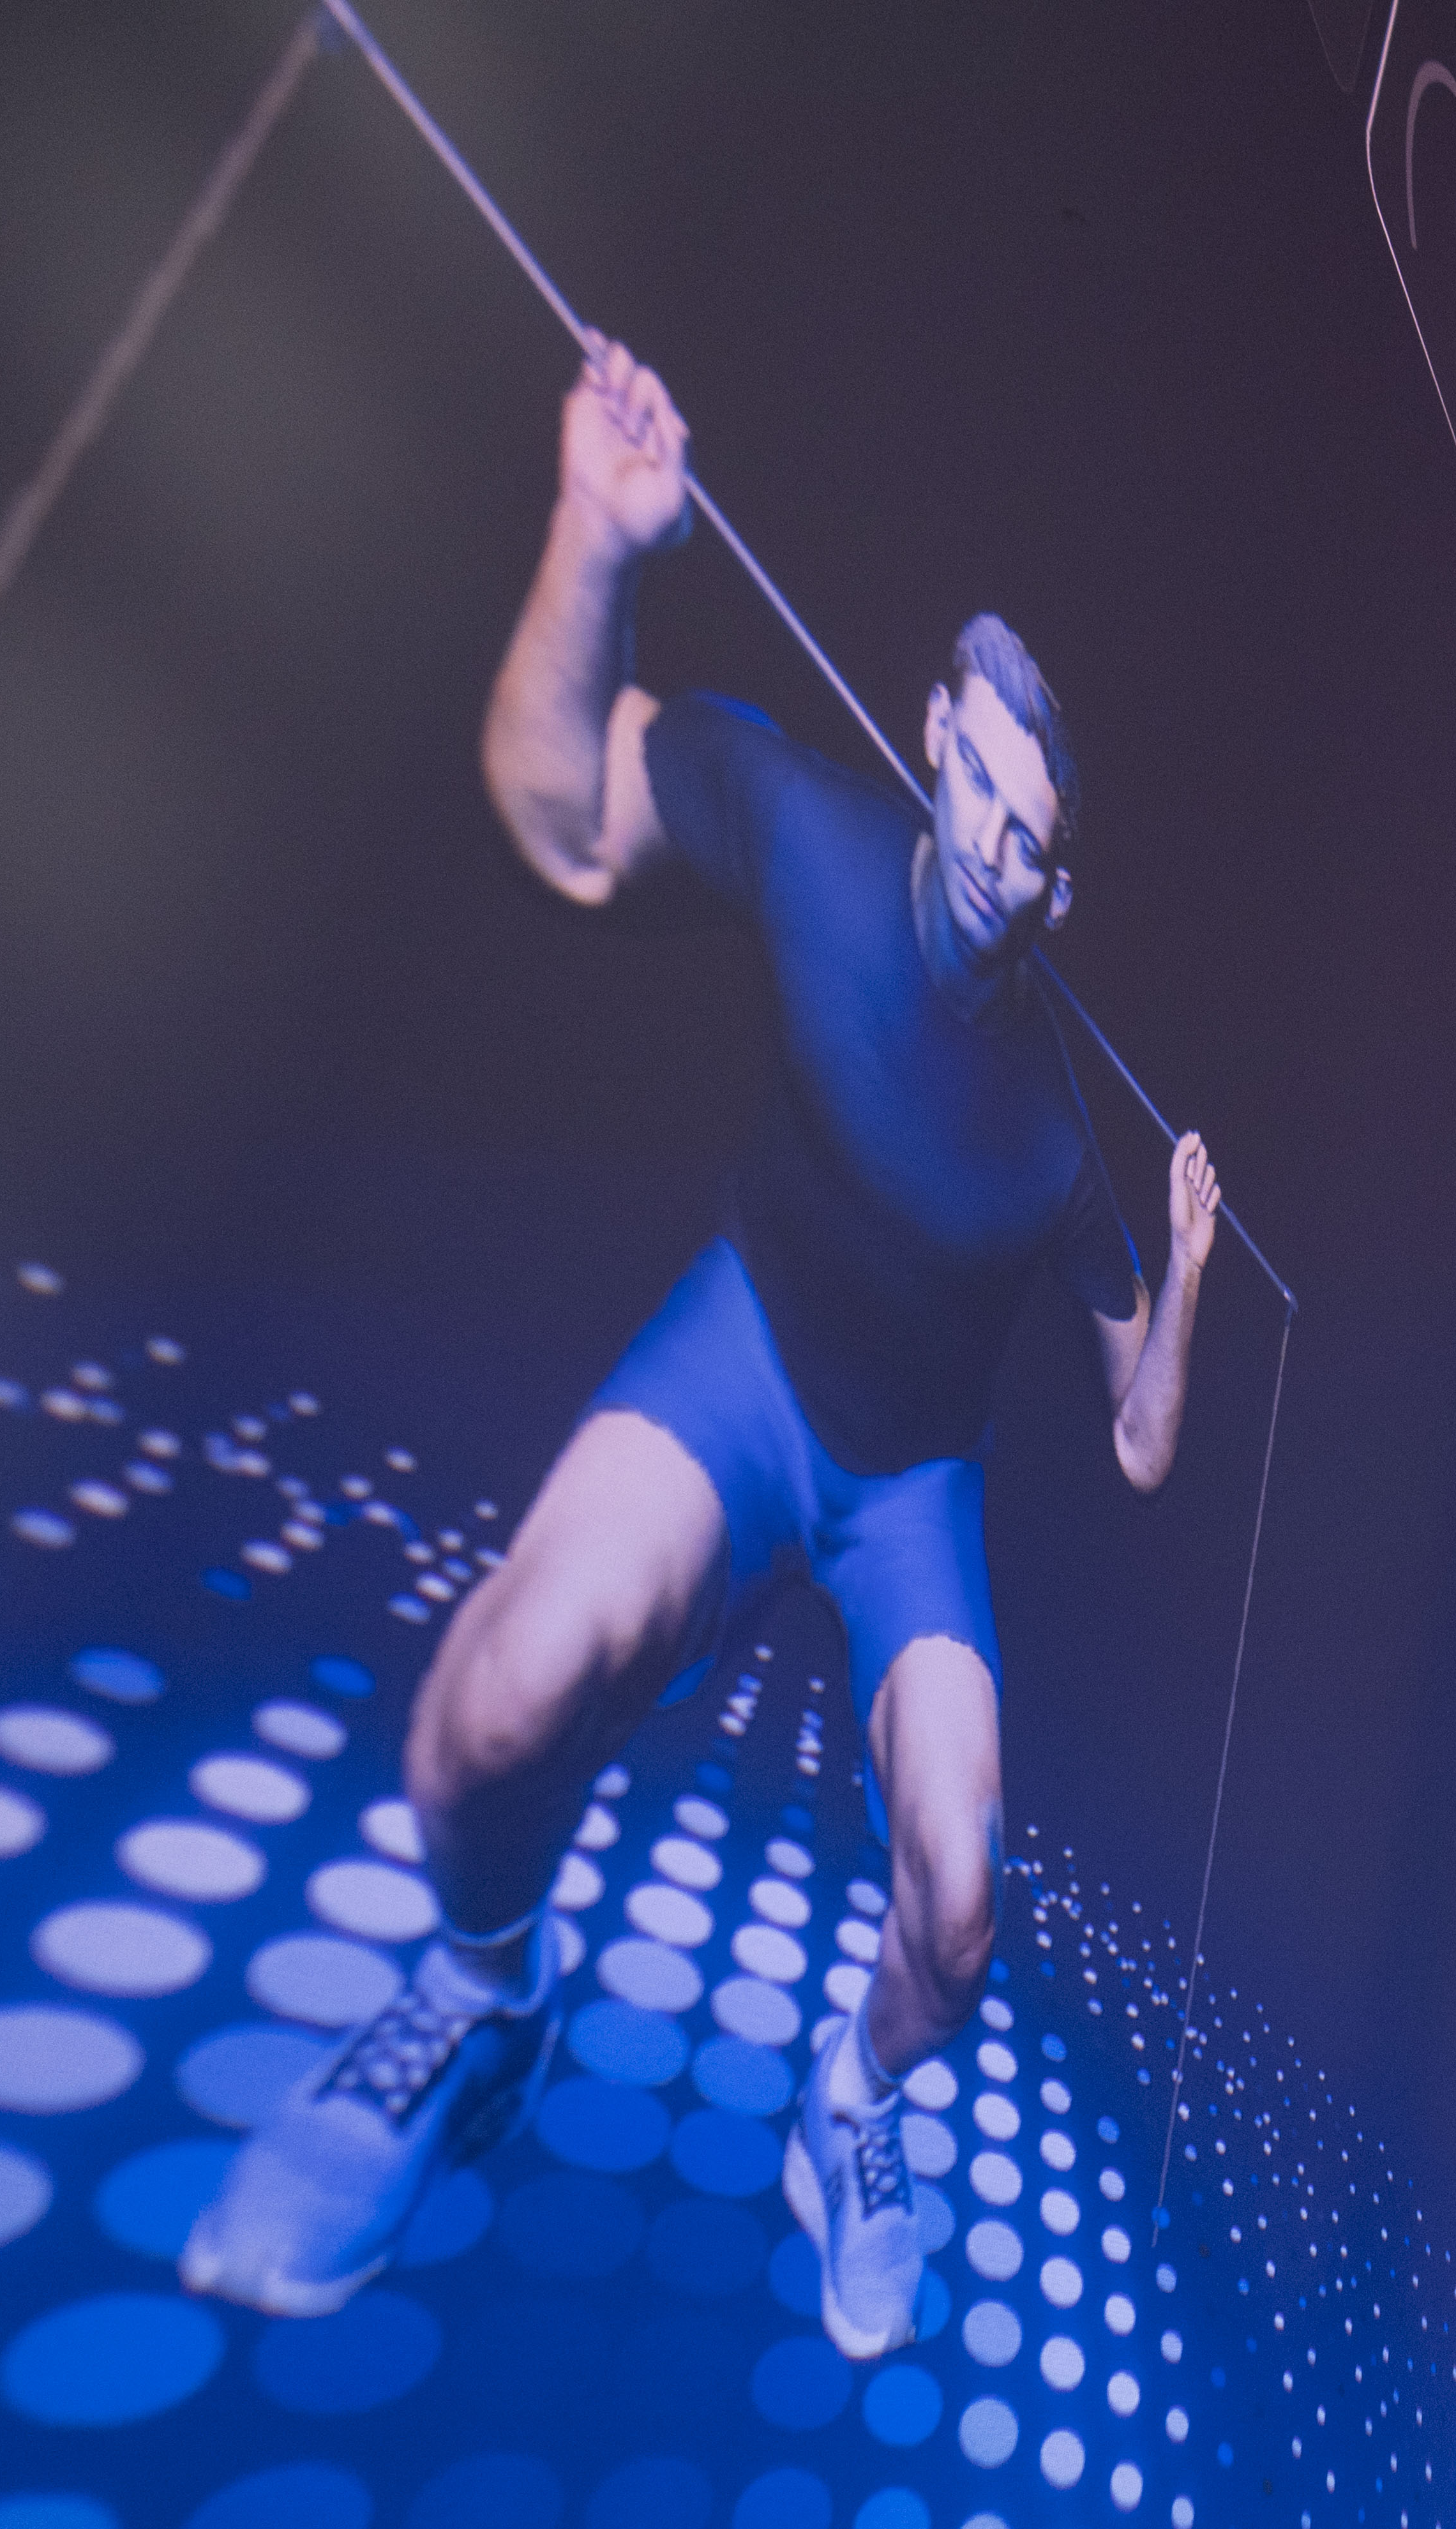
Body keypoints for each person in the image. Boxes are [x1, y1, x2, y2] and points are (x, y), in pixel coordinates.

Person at [190, 334, 1220, 2358]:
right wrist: (601, 538)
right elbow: (563, 819)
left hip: (908, 1497)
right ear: (934, 742)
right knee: (491, 1706)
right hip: (737, 1375)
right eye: (983, 794)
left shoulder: (1057, 1139)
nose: (1000, 856)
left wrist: (1176, 1265)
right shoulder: (800, 822)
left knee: (958, 1913)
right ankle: (490, 1985)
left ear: (1063, 881)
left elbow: (1141, 1443)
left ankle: (852, 2108)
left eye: (1036, 842)